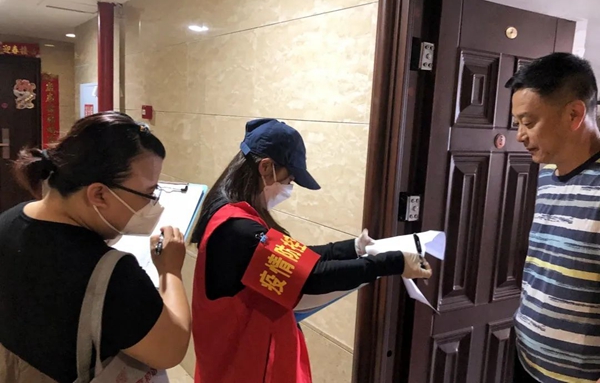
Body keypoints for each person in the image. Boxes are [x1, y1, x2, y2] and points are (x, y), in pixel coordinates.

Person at [190, 118, 433, 383]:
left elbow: (295, 258)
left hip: (241, 361)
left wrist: (354, 247)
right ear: (266, 168)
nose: (289, 187)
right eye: (289, 179)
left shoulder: (232, 214)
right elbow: (311, 277)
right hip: (241, 369)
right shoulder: (237, 228)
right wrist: (394, 262)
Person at [0, 112, 190, 383]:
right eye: (149, 193)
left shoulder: (9, 220)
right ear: (99, 194)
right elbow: (170, 349)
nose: (154, 204)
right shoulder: (111, 273)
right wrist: (170, 270)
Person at [508, 53, 600, 383]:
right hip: (527, 359)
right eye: (517, 123)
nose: (520, 135)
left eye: (529, 122)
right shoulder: (547, 173)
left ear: (574, 114)